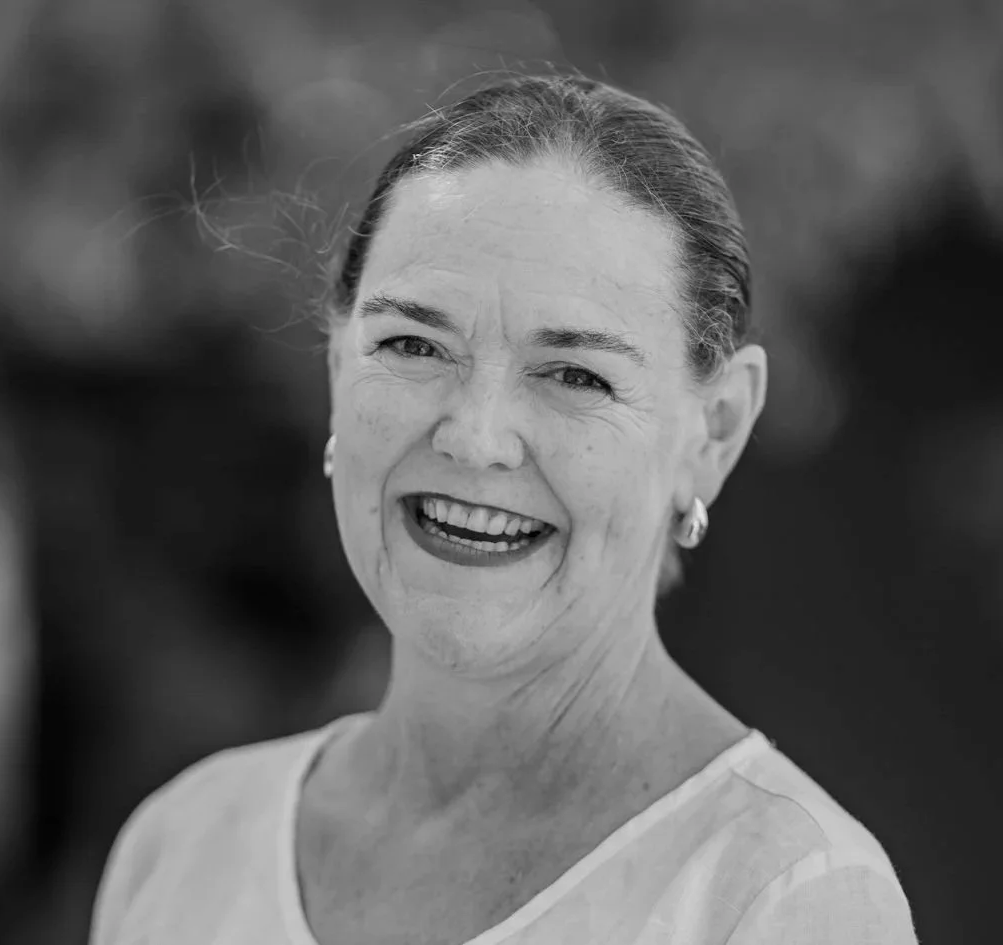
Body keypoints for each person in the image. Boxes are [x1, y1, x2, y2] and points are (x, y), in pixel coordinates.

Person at [88, 74, 919, 945]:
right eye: (413, 344)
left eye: (575, 375)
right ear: (338, 369)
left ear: (712, 431)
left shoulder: (782, 894)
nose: (476, 438)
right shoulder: (183, 845)